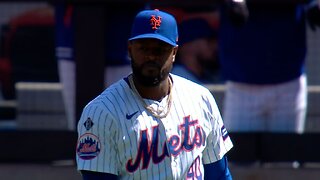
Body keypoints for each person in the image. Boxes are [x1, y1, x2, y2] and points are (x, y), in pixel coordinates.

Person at [76, 9, 233, 180]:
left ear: (174, 53)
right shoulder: (102, 112)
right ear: (130, 49)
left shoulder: (201, 99)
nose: (151, 56)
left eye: (160, 49)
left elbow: (219, 174)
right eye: (143, 48)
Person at [218, 0, 320, 133]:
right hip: (242, 81)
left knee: (288, 150)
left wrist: (313, 4)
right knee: (239, 151)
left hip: (289, 79)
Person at [171, 18, 221, 84]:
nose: (215, 45)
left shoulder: (211, 74)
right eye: (209, 41)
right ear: (189, 45)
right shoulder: (177, 78)